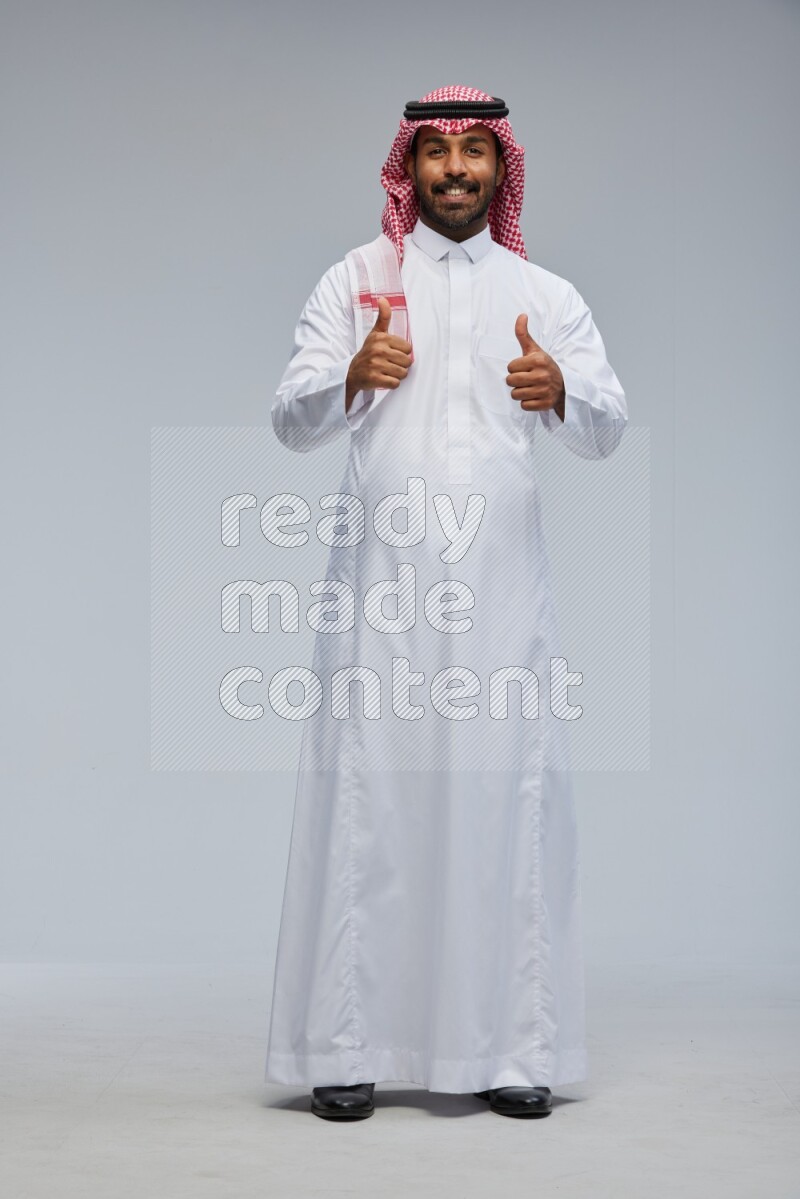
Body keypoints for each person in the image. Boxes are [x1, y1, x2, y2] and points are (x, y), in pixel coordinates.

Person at [264, 85, 627, 1121]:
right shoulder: (357, 279)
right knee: (370, 802)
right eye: (437, 153)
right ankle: (347, 1042)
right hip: (379, 593)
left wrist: (556, 386)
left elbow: (605, 425)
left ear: (499, 168)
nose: (456, 170)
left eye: (475, 152)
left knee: (504, 802)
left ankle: (514, 1047)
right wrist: (347, 375)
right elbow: (287, 417)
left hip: (503, 598)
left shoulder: (542, 291)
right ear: (407, 166)